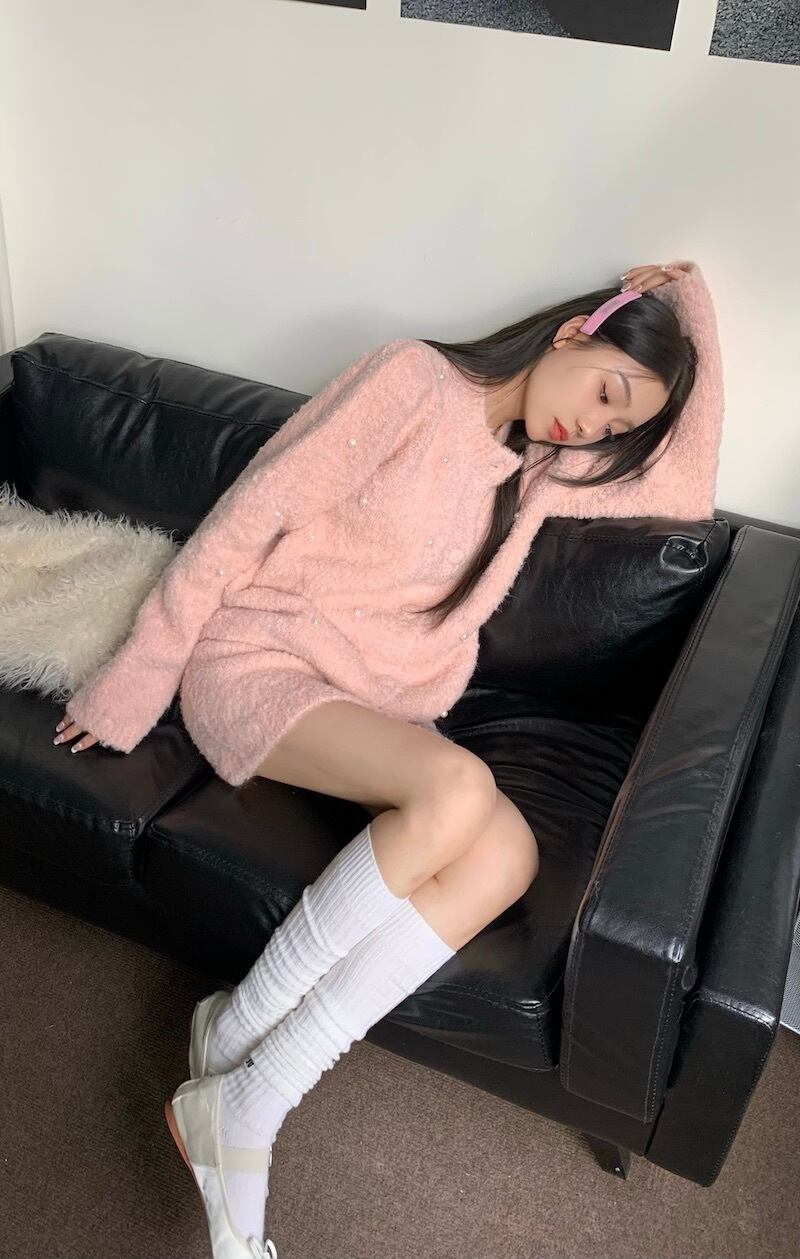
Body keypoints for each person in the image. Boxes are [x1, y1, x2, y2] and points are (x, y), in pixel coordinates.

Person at [52, 260, 725, 1257]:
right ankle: (244, 1074)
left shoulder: (540, 471)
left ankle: (243, 1063)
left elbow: (689, 484)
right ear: (574, 332)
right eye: (604, 391)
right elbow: (248, 515)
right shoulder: (410, 378)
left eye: (616, 422)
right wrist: (136, 676)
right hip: (260, 658)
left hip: (369, 699)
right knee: (458, 788)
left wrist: (687, 301)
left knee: (507, 857)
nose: (594, 426)